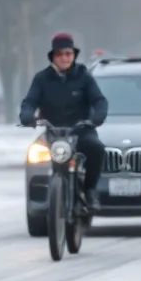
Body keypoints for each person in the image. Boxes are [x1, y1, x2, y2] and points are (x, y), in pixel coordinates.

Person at [18, 33, 108, 210]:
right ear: (53, 56)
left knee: (97, 148)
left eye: (68, 53)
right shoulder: (41, 79)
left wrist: (97, 117)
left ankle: (89, 191)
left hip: (81, 131)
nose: (64, 58)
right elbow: (29, 102)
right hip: (54, 133)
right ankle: (48, 196)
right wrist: (27, 116)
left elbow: (99, 100)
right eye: (60, 54)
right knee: (36, 156)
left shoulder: (84, 76)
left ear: (73, 55)